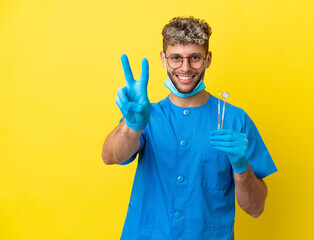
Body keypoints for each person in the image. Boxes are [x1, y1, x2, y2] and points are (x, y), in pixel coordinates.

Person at [102, 16, 278, 240]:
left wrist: (241, 168)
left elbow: (256, 208)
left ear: (208, 59)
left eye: (195, 58)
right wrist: (132, 125)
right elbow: (110, 156)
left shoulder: (235, 120)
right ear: (163, 59)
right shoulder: (147, 115)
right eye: (176, 58)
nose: (185, 68)